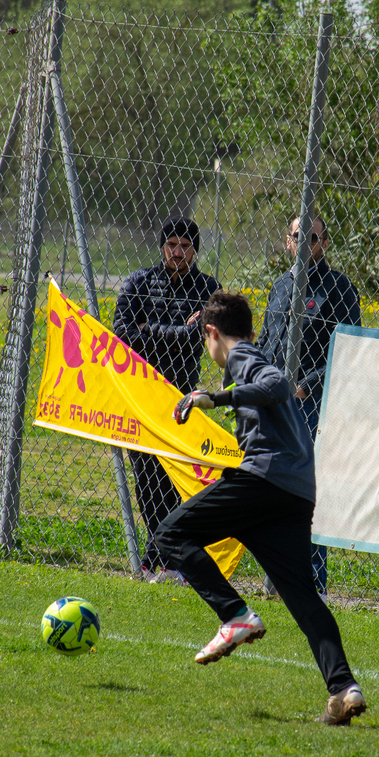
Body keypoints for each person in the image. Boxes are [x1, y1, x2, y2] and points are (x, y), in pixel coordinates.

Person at [154, 291, 368, 726]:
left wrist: (215, 398)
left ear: (211, 333)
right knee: (302, 597)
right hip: (294, 492)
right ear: (251, 329)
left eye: (206, 340)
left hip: (266, 481)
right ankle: (344, 689)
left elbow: (277, 385)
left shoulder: (242, 357)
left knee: (171, 534)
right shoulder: (250, 355)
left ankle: (235, 616)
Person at [255, 213, 361, 593]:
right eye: (298, 237)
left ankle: (312, 581)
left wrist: (305, 385)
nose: (304, 244)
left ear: (325, 244)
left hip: (311, 406)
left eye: (312, 238)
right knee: (270, 490)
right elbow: (267, 341)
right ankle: (276, 576)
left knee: (304, 492)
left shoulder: (340, 289)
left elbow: (348, 350)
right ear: (288, 242)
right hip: (271, 403)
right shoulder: (280, 286)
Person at [112, 218, 220, 580]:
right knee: (146, 482)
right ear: (162, 247)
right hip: (141, 396)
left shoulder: (208, 289)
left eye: (185, 246)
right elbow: (123, 334)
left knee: (172, 480)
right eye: (171, 244)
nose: (177, 252)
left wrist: (149, 331)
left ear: (195, 250)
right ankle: (159, 555)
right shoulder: (138, 283)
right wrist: (179, 332)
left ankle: (164, 560)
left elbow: (198, 339)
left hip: (180, 398)